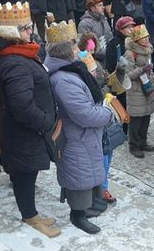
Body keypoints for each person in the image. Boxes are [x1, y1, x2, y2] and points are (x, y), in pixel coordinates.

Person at [0, 2, 60, 238]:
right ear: (11, 33)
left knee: (27, 173)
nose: (31, 31)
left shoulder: (18, 54)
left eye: (29, 26)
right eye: (25, 28)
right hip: (24, 132)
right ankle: (30, 217)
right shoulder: (14, 61)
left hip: (26, 130)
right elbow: (22, 106)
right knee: (25, 175)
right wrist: (46, 123)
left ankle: (31, 214)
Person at [45, 21, 113, 234]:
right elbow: (83, 114)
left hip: (84, 135)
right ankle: (78, 215)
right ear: (66, 50)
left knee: (86, 172)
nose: (78, 49)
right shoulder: (63, 79)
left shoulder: (70, 69)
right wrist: (108, 113)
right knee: (78, 176)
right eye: (74, 45)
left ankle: (90, 206)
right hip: (76, 136)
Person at [124, 24, 154, 158]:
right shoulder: (130, 54)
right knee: (136, 120)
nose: (146, 39)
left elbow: (151, 72)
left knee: (146, 117)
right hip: (136, 90)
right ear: (137, 40)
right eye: (143, 38)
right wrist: (141, 70)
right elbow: (126, 75)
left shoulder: (148, 51)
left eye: (147, 37)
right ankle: (134, 145)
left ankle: (143, 142)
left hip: (146, 88)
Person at [78, 0, 113, 64]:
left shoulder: (103, 18)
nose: (103, 7)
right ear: (92, 8)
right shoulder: (85, 24)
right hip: (95, 61)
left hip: (108, 57)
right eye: (100, 5)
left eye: (103, 5)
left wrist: (112, 49)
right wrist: (109, 53)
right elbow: (88, 47)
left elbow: (110, 36)